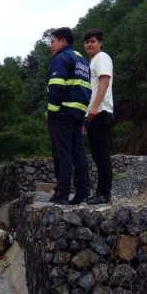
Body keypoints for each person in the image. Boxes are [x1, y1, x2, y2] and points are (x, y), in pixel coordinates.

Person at [46, 27, 91, 205]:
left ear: (63, 41)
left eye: (53, 41)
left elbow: (56, 86)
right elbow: (87, 87)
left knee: (62, 153)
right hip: (78, 113)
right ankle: (82, 192)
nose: (51, 46)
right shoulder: (82, 60)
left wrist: (52, 111)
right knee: (78, 153)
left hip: (62, 113)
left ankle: (62, 193)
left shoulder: (61, 58)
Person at [83, 29, 114, 204]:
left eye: (93, 41)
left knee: (101, 154)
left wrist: (94, 108)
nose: (89, 44)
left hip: (100, 111)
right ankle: (101, 192)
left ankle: (104, 193)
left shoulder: (102, 58)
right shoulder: (92, 61)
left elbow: (104, 82)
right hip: (94, 113)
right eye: (87, 42)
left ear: (100, 43)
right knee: (97, 154)